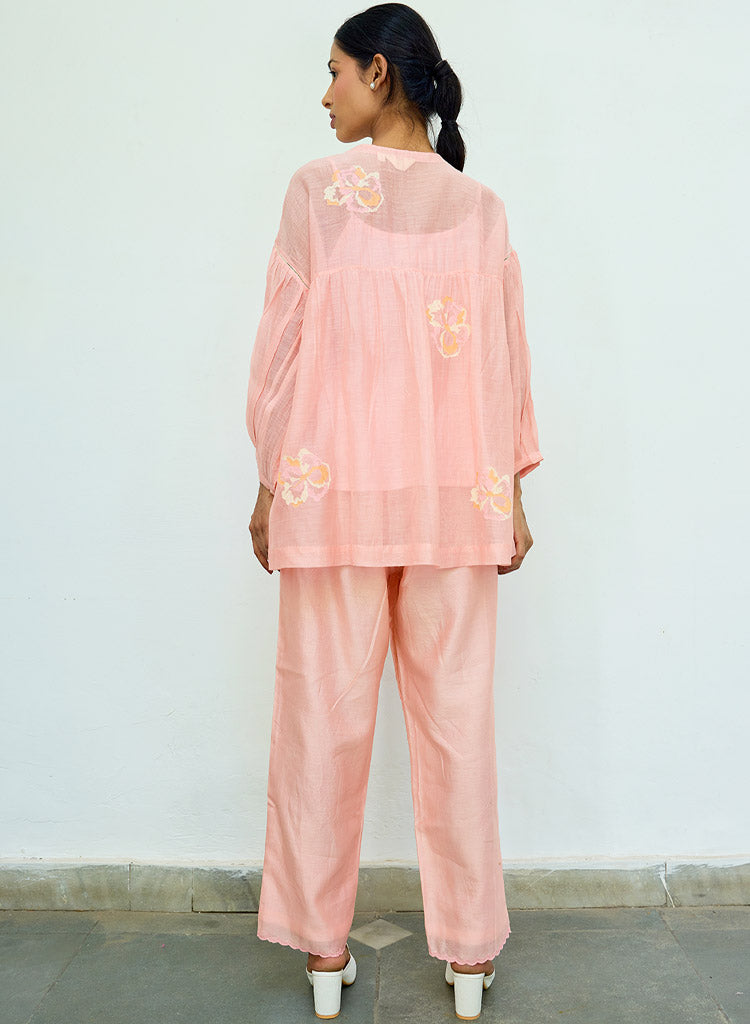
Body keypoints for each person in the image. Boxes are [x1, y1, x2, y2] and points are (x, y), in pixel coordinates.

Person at [245, 4, 543, 1019]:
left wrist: (271, 484)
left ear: (379, 73)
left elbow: (281, 358)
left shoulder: (317, 196)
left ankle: (325, 956)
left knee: (319, 722)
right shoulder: (481, 209)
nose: (324, 94)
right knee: (458, 727)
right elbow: (505, 364)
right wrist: (511, 494)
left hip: (332, 500)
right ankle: (468, 959)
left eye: (334, 72)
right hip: (456, 499)